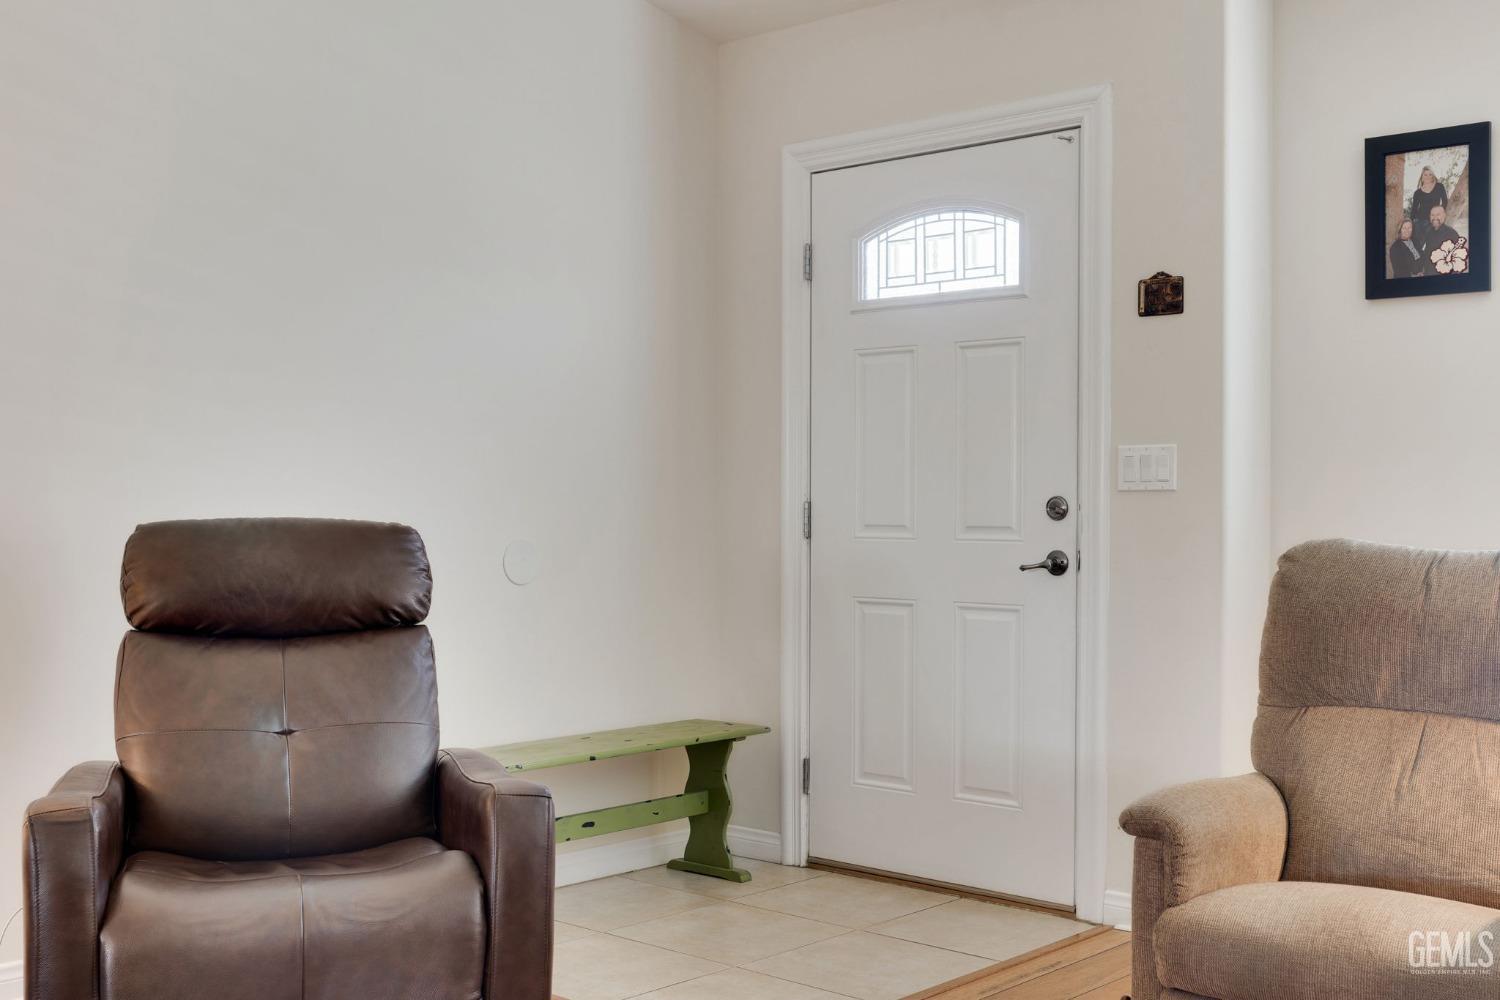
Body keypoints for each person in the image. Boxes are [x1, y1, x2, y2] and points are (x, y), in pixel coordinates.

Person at [1409, 166, 1448, 245]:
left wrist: (1439, 215)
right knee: (1418, 246)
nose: (1428, 177)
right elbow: (1414, 209)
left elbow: (1445, 202)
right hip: (1419, 222)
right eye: (1425, 175)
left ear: (1433, 176)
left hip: (1434, 221)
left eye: (1430, 174)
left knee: (1433, 245)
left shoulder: (1439, 186)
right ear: (1422, 176)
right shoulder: (1417, 193)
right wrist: (1410, 223)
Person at [1421, 203, 1462, 275]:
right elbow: (1427, 252)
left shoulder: (1452, 234)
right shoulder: (1429, 231)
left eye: (1438, 214)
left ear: (1444, 215)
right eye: (1432, 215)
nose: (1435, 217)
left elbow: (1457, 261)